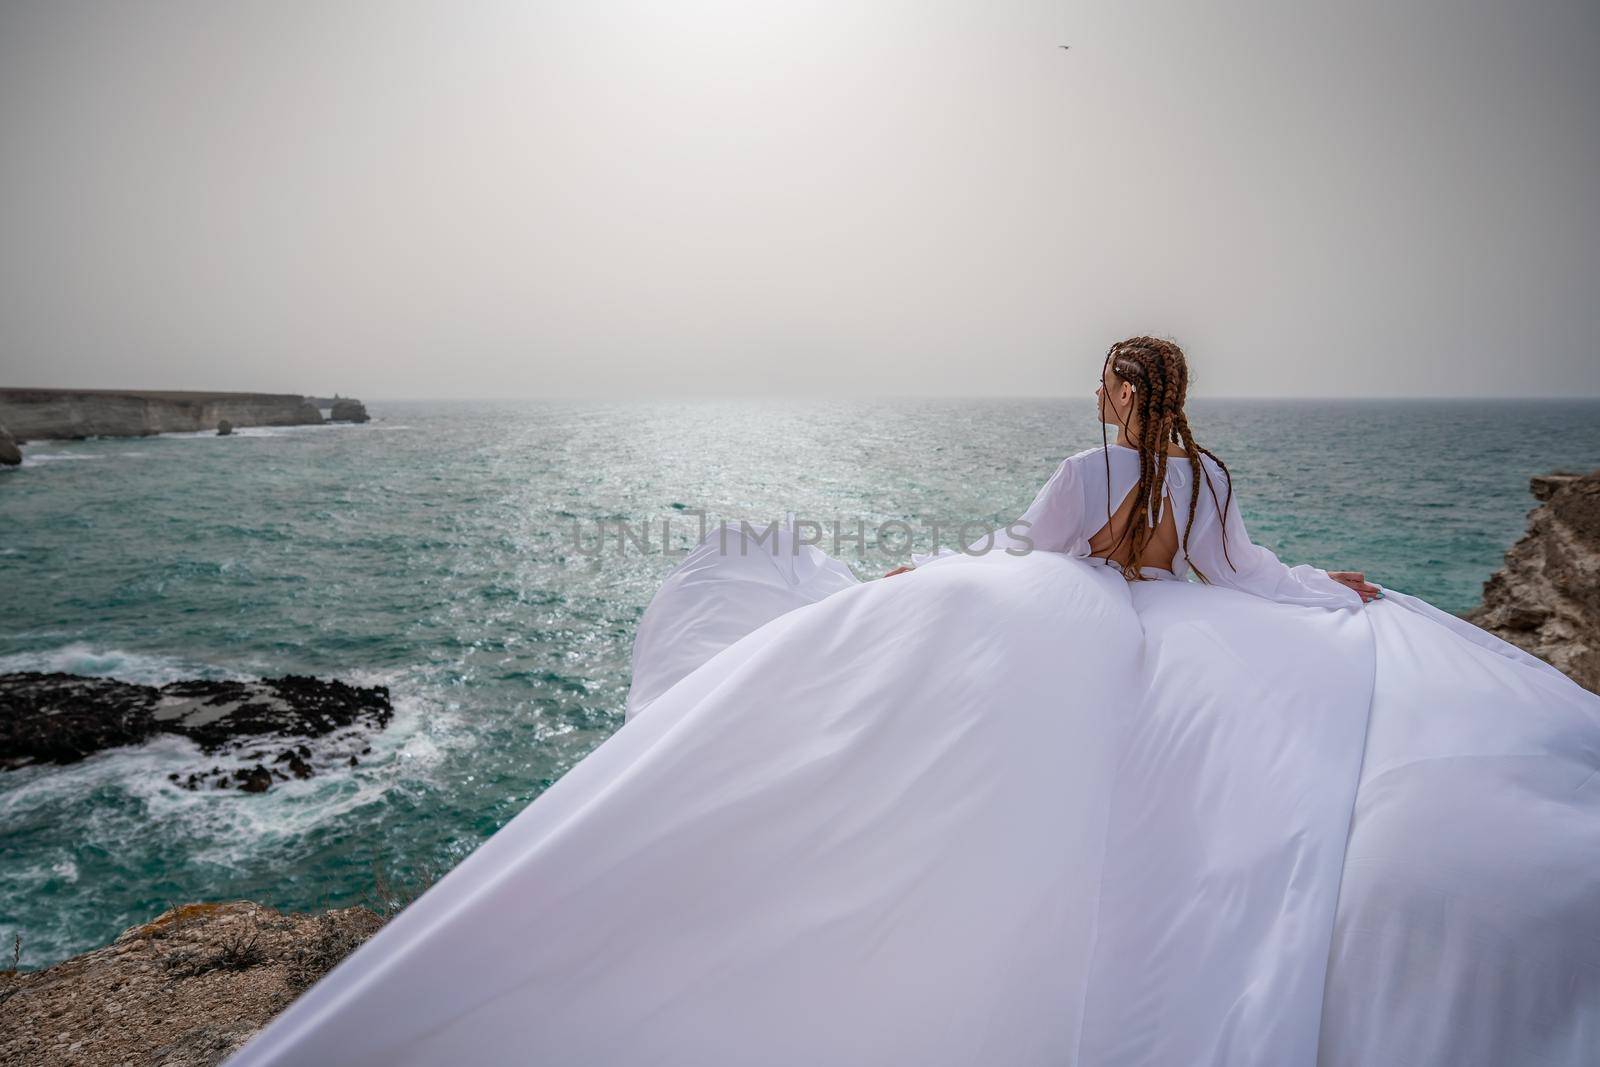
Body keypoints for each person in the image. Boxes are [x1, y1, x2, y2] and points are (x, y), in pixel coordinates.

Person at [225, 338, 1600, 1067]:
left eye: (1111, 384)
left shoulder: (1087, 472)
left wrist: (920, 569)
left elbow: (1024, 553)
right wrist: (1336, 596)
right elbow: (1251, 577)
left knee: (980, 701)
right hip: (1211, 632)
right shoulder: (1213, 481)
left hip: (1097, 620)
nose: (1105, 398)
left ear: (1125, 395)